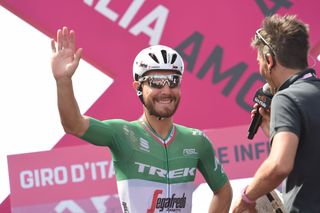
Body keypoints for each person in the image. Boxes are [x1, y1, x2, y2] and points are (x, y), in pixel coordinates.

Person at [50, 26, 232, 213]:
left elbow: (223, 191)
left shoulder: (197, 140)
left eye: (173, 81)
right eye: (156, 82)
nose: (166, 90)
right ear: (138, 87)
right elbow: (73, 125)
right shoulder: (123, 133)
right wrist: (63, 81)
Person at [232, 14, 320, 213]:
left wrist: (247, 198)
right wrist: (276, 130)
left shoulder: (285, 98)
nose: (260, 68)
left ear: (269, 60)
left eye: (259, 61)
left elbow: (279, 165)